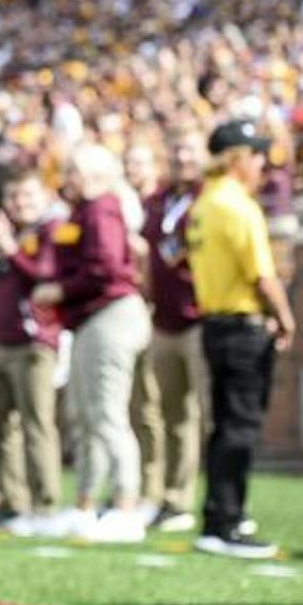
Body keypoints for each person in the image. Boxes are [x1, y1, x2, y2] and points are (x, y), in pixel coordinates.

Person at [186, 118, 297, 559]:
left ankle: (219, 516)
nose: (262, 166)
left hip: (214, 324)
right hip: (240, 326)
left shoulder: (204, 205)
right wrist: (285, 316)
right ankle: (226, 522)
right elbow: (263, 276)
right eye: (256, 156)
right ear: (237, 159)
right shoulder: (237, 206)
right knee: (240, 426)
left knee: (225, 425)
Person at [34, 144, 152, 541]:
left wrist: (59, 291)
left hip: (110, 315)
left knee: (107, 414)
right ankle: (85, 504)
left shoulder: (101, 206)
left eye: (74, 172)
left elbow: (103, 268)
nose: (67, 180)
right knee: (85, 416)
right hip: (92, 319)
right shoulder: (86, 210)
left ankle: (126, 505)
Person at [0, 167, 67, 534]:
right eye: (14, 197)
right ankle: (12, 502)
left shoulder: (51, 231)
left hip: (34, 342)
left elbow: (44, 275)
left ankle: (47, 503)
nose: (19, 204)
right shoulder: (7, 233)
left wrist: (10, 248)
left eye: (27, 197)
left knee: (37, 424)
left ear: (43, 198)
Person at [134, 132, 209, 532]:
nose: (182, 156)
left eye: (190, 149)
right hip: (163, 319)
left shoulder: (208, 199)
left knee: (206, 414)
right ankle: (173, 499)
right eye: (177, 149)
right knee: (170, 414)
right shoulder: (158, 201)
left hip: (199, 317)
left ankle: (215, 500)